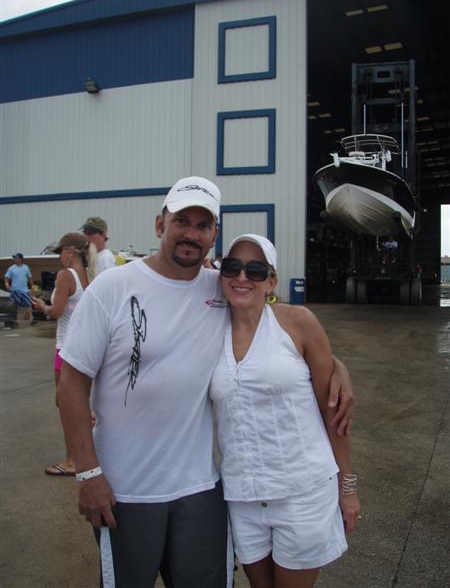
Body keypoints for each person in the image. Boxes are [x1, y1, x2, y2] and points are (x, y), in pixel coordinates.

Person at [57, 176, 354, 588]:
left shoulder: (220, 288)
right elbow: (71, 382)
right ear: (160, 224)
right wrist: (87, 473)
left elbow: (273, 334)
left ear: (214, 234)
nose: (191, 234)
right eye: (182, 221)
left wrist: (335, 367)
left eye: (203, 225)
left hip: (201, 489)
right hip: (126, 490)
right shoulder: (112, 287)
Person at [210, 234, 360, 588]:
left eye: (256, 270)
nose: (242, 277)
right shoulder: (210, 328)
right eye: (232, 267)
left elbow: (334, 412)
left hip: (301, 492)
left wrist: (348, 487)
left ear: (272, 281)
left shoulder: (297, 322)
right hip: (243, 496)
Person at [32, 232, 96, 477]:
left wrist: (42, 306)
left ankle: (73, 460)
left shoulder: (65, 275)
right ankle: (88, 452)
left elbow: (56, 311)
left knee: (66, 404)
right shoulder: (88, 276)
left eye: (61, 252)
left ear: (70, 252)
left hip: (66, 348)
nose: (59, 257)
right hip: (84, 347)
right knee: (80, 403)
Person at [4, 253, 36, 326]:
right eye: (14, 258)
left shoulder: (26, 268)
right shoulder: (11, 268)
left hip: (24, 290)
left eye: (16, 258)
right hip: (14, 290)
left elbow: (30, 277)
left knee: (29, 303)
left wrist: (32, 286)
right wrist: (7, 285)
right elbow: (6, 278)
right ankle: (14, 320)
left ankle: (31, 319)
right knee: (14, 305)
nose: (14, 259)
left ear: (21, 259)